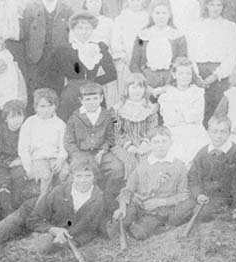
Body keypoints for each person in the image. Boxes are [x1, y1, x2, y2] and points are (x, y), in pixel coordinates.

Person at [0, 156, 108, 260]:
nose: (83, 180)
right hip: (29, 214)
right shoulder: (59, 191)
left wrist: (71, 240)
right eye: (79, 176)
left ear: (95, 177)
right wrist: (53, 230)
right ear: (72, 176)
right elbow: (34, 219)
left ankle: (18, 242)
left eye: (88, 176)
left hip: (46, 227)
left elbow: (89, 229)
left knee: (40, 248)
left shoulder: (97, 198)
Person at [113, 126, 196, 240]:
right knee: (119, 223)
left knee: (139, 233)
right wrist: (122, 207)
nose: (160, 145)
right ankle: (130, 222)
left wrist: (161, 202)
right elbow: (127, 190)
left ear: (171, 143)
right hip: (142, 207)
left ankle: (155, 225)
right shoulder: (142, 166)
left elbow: (183, 194)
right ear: (150, 145)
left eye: (164, 141)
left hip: (163, 211)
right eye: (156, 142)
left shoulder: (179, 166)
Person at [63, 82, 124, 211]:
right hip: (81, 153)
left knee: (117, 168)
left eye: (95, 98)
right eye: (88, 99)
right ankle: (78, 205)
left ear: (101, 99)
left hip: (101, 152)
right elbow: (69, 141)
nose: (91, 102)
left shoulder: (107, 115)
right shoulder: (75, 117)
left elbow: (111, 138)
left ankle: (107, 199)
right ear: (81, 100)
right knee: (79, 172)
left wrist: (103, 150)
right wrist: (77, 155)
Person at [51, 11, 118, 120]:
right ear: (73, 29)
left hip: (93, 93)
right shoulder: (64, 49)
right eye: (80, 28)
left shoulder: (100, 47)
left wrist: (93, 82)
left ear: (93, 29)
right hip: (71, 94)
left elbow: (112, 74)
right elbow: (55, 74)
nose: (83, 32)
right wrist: (66, 89)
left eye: (88, 28)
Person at [22, 0, 73, 106]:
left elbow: (71, 36)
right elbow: (25, 34)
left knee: (56, 93)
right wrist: (29, 55)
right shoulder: (31, 8)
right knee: (36, 93)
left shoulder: (67, 10)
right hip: (37, 59)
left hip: (58, 59)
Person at [186, 0, 236, 122]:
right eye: (212, 4)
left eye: (219, 5)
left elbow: (232, 56)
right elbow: (190, 52)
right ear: (206, 6)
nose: (215, 8)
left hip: (220, 75)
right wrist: (196, 76)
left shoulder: (230, 26)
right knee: (197, 112)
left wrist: (215, 76)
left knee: (218, 114)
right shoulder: (195, 25)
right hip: (198, 73)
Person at [187, 116, 236, 223]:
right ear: (208, 132)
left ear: (229, 133)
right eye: (214, 131)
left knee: (202, 215)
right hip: (204, 195)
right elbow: (193, 177)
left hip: (225, 197)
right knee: (177, 216)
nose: (218, 136)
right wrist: (198, 194)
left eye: (223, 131)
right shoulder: (203, 153)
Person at [158, 57, 210, 165]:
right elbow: (171, 120)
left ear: (192, 75)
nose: (184, 77)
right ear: (174, 75)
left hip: (195, 130)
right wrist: (187, 110)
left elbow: (196, 118)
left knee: (197, 154)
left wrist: (179, 108)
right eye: (181, 73)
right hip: (174, 131)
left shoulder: (197, 92)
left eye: (188, 73)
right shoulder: (167, 94)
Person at [130, 0, 187, 92]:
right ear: (151, 15)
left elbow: (182, 62)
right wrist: (144, 83)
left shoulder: (177, 36)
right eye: (157, 13)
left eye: (164, 13)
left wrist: (169, 85)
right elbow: (134, 63)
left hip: (170, 79)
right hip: (147, 78)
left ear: (169, 15)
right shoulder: (142, 36)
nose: (161, 17)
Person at [18, 88, 68, 196]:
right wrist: (28, 167)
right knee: (45, 176)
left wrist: (60, 160)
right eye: (42, 106)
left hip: (55, 158)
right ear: (36, 107)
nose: (46, 110)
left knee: (65, 173)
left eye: (50, 106)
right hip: (38, 159)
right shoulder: (29, 123)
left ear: (55, 106)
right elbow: (23, 148)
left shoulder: (60, 124)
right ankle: (44, 201)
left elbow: (64, 145)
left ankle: (61, 199)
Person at [111, 74, 160, 179]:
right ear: (127, 89)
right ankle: (131, 185)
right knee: (131, 161)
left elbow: (152, 129)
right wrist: (128, 145)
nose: (137, 91)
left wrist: (145, 142)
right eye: (133, 88)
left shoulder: (150, 109)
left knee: (148, 160)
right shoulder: (117, 110)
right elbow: (117, 131)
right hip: (123, 143)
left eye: (140, 87)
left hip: (145, 142)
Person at [0, 100, 30, 216]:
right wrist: (9, 163)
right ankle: (7, 214)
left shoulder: (26, 131)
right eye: (12, 117)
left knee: (19, 178)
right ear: (6, 118)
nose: (16, 120)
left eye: (19, 116)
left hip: (18, 163)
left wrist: (21, 160)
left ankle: (18, 212)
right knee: (3, 184)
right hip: (1, 165)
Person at [111, 0, 149, 101]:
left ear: (143, 1)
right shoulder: (120, 19)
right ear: (127, 2)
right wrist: (126, 58)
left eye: (138, 0)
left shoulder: (148, 18)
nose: (136, 3)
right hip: (125, 61)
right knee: (126, 90)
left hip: (144, 62)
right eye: (132, 0)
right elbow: (116, 41)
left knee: (143, 91)